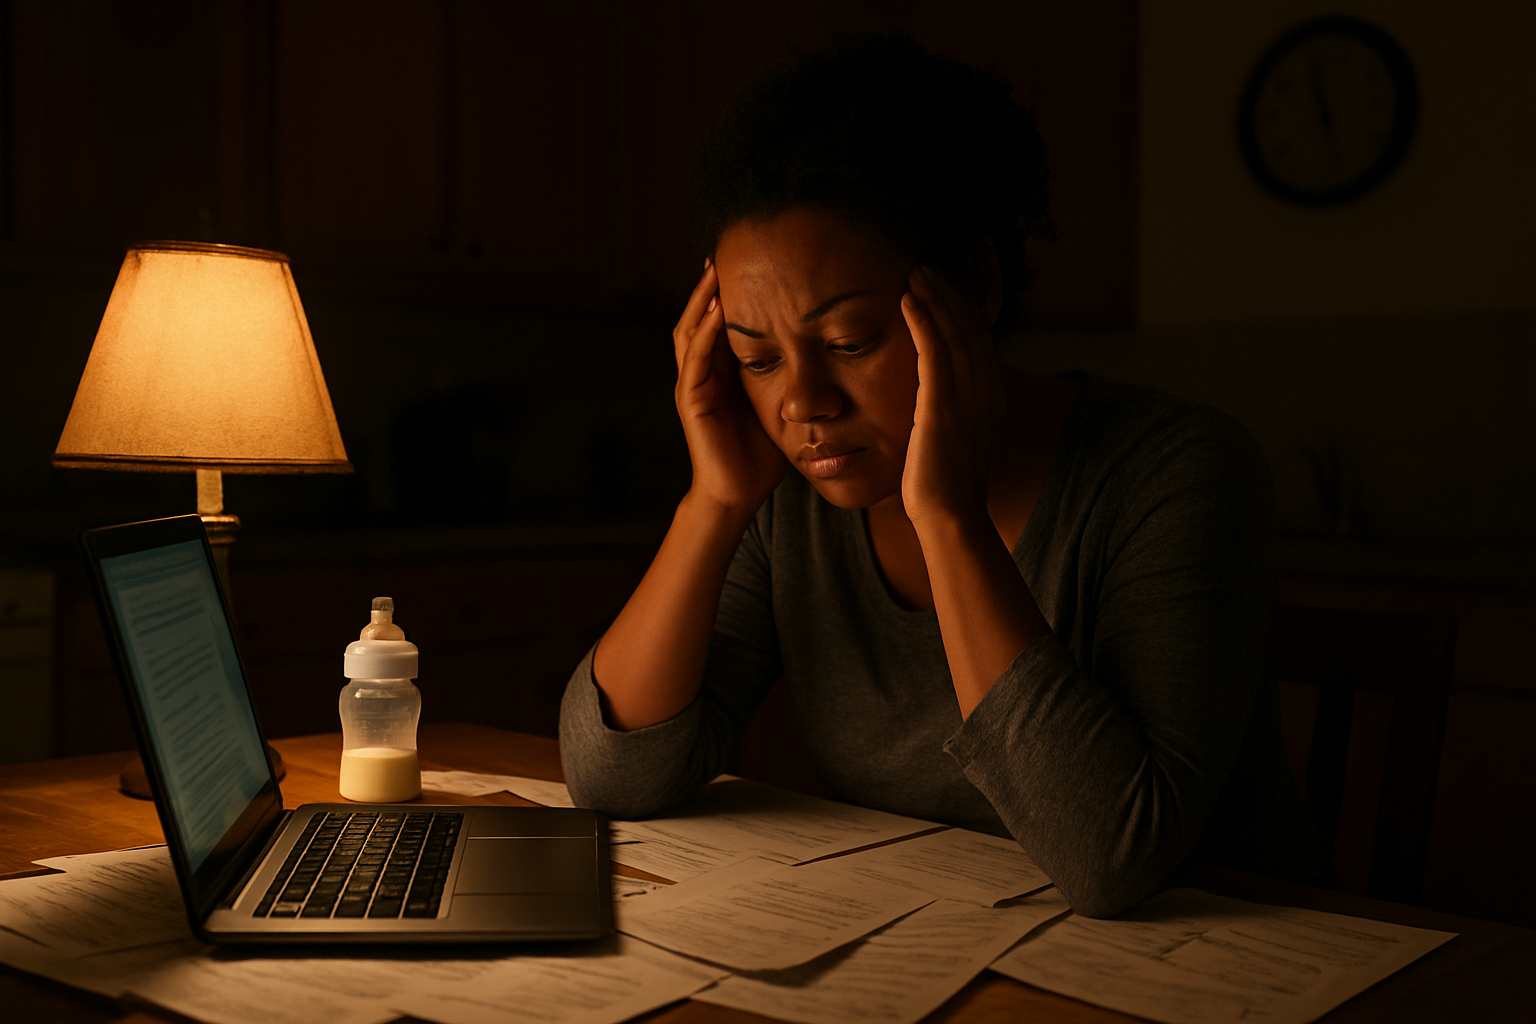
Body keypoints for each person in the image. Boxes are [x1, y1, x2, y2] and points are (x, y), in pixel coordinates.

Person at [558, 34, 1320, 918]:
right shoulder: (788, 501)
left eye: (849, 343)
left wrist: (946, 517)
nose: (804, 402)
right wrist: (714, 502)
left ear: (978, 288)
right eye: (757, 359)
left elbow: (1111, 859)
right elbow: (614, 779)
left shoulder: (1177, 472)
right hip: (942, 945)